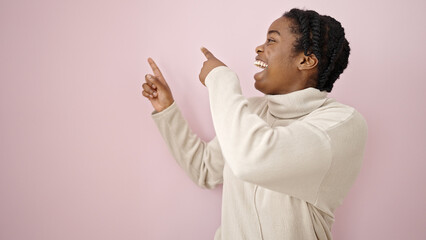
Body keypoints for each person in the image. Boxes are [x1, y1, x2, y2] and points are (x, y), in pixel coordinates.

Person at [141, 8, 368, 240]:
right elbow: (205, 169)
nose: (259, 48)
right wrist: (167, 109)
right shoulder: (251, 112)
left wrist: (221, 78)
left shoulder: (340, 124)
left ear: (306, 60)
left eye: (271, 40)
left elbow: (252, 160)